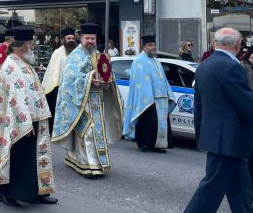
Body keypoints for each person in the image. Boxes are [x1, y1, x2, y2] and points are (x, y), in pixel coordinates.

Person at [173, 28, 253, 213]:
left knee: (241, 194)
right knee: (211, 190)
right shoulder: (232, 67)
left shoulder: (206, 65)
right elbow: (248, 104)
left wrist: (201, 135)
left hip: (221, 139)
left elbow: (199, 105)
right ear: (238, 44)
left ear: (216, 43)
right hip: (229, 140)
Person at [0, 26, 57, 207]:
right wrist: (25, 123)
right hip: (18, 123)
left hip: (34, 119)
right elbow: (16, 97)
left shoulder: (24, 63)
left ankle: (38, 190)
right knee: (15, 158)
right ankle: (6, 192)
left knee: (34, 159)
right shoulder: (12, 65)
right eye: (32, 44)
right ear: (25, 46)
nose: (33, 48)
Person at [52, 22, 123, 178]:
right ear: (81, 38)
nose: (90, 41)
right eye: (87, 38)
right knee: (87, 133)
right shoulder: (74, 57)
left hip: (97, 102)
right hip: (80, 103)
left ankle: (89, 162)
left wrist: (106, 80)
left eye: (93, 38)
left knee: (96, 133)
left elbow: (107, 76)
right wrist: (90, 78)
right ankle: (87, 165)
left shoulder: (98, 55)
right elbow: (70, 80)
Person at [123, 35, 176, 152]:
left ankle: (156, 145)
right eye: (150, 45)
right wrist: (147, 96)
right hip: (147, 98)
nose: (153, 47)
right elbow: (139, 82)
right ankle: (142, 143)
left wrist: (168, 94)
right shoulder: (139, 61)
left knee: (158, 123)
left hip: (160, 98)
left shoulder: (156, 60)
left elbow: (163, 79)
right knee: (147, 121)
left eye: (154, 45)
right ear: (144, 46)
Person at [42, 27, 76, 134]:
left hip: (74, 88)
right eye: (68, 38)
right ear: (63, 40)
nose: (71, 40)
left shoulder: (78, 52)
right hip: (58, 87)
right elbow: (53, 72)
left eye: (72, 38)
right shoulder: (57, 53)